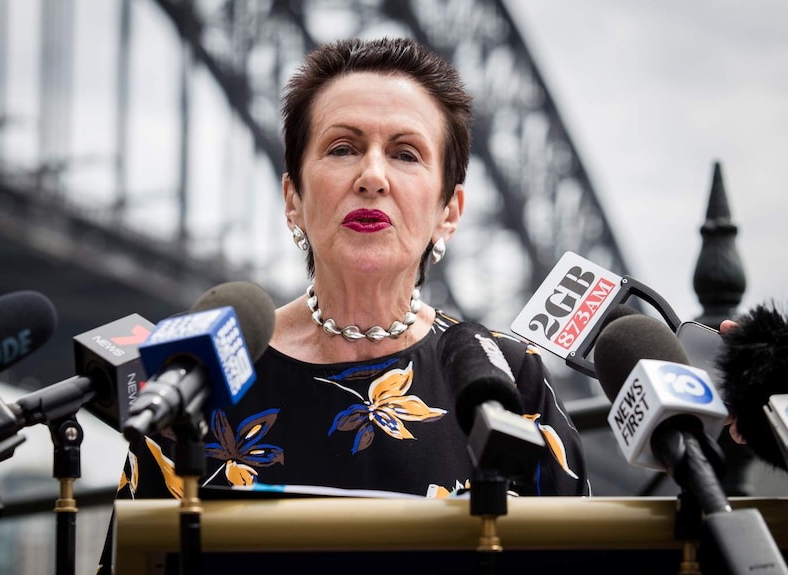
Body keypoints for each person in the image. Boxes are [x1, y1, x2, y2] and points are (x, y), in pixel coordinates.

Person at [97, 36, 589, 573]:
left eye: (405, 153)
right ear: (294, 198)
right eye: (342, 148)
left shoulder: (507, 378)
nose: (372, 177)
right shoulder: (199, 376)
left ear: (449, 210)